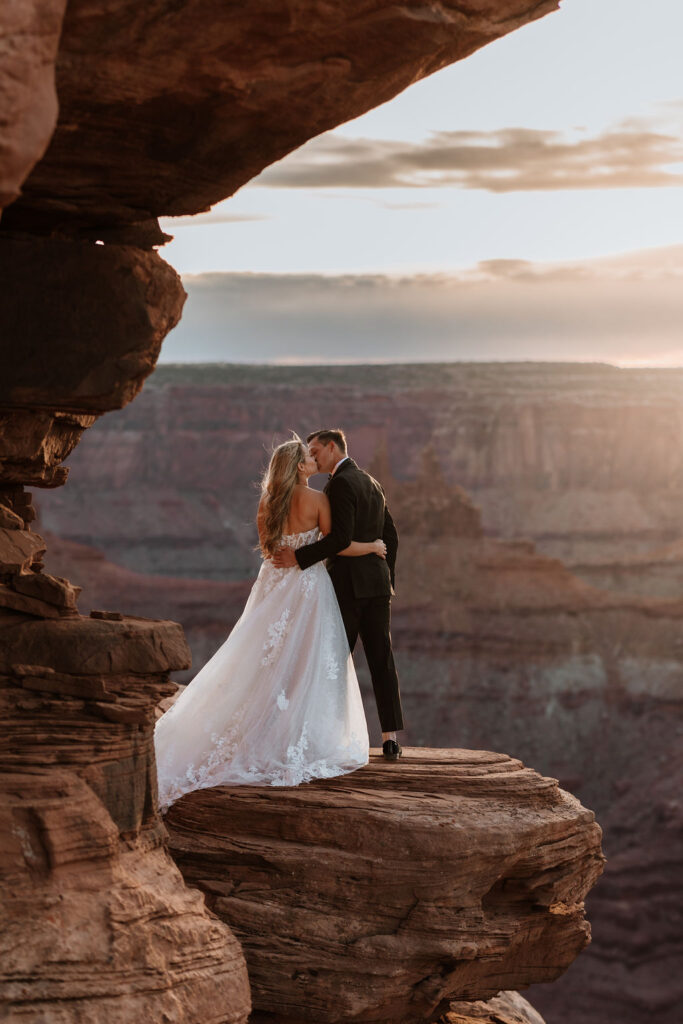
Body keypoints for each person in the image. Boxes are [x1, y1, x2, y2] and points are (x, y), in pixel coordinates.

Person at [154, 436, 383, 811]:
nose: (313, 461)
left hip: (273, 585)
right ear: (298, 466)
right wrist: (372, 547)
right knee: (305, 664)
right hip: (309, 588)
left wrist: (288, 557)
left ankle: (254, 731)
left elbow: (269, 550)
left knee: (261, 660)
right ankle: (289, 737)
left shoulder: (267, 502)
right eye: (307, 458)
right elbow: (337, 545)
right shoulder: (318, 500)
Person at [272, 428, 404, 760]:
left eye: (316, 450)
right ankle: (390, 738)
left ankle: (325, 735)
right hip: (377, 586)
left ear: (333, 447)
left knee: (332, 662)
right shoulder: (373, 482)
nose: (313, 457)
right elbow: (392, 536)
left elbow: (339, 541)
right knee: (381, 660)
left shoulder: (340, 483)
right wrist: (387, 578)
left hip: (347, 587)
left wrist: (299, 559)